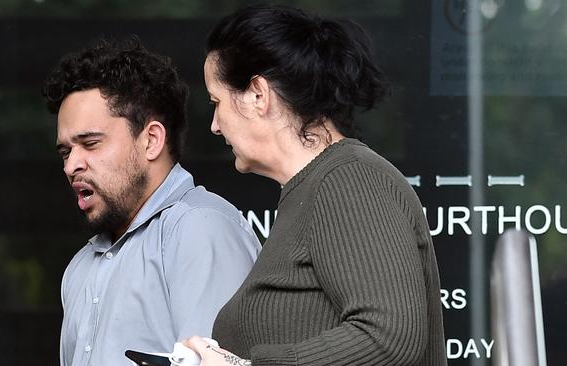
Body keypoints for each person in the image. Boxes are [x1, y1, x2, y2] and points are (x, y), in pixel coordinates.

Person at [186, 5, 447, 366]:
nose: (215, 125)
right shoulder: (312, 189)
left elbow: (389, 337)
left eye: (217, 102)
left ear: (258, 95)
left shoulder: (349, 179)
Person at [42, 37, 261, 366]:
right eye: (66, 151)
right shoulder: (80, 267)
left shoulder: (200, 230)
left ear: (151, 140)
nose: (71, 165)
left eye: (90, 143)